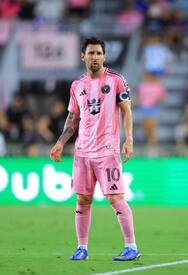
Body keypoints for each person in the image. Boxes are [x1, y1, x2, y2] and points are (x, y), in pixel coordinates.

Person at [50, 37, 139, 261]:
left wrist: (129, 139)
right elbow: (72, 119)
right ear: (83, 56)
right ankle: (82, 248)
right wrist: (60, 143)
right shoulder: (76, 86)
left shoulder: (116, 80)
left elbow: (127, 111)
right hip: (82, 153)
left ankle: (131, 246)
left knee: (115, 197)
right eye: (91, 53)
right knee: (82, 200)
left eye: (99, 53)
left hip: (108, 150)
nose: (95, 57)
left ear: (104, 56)